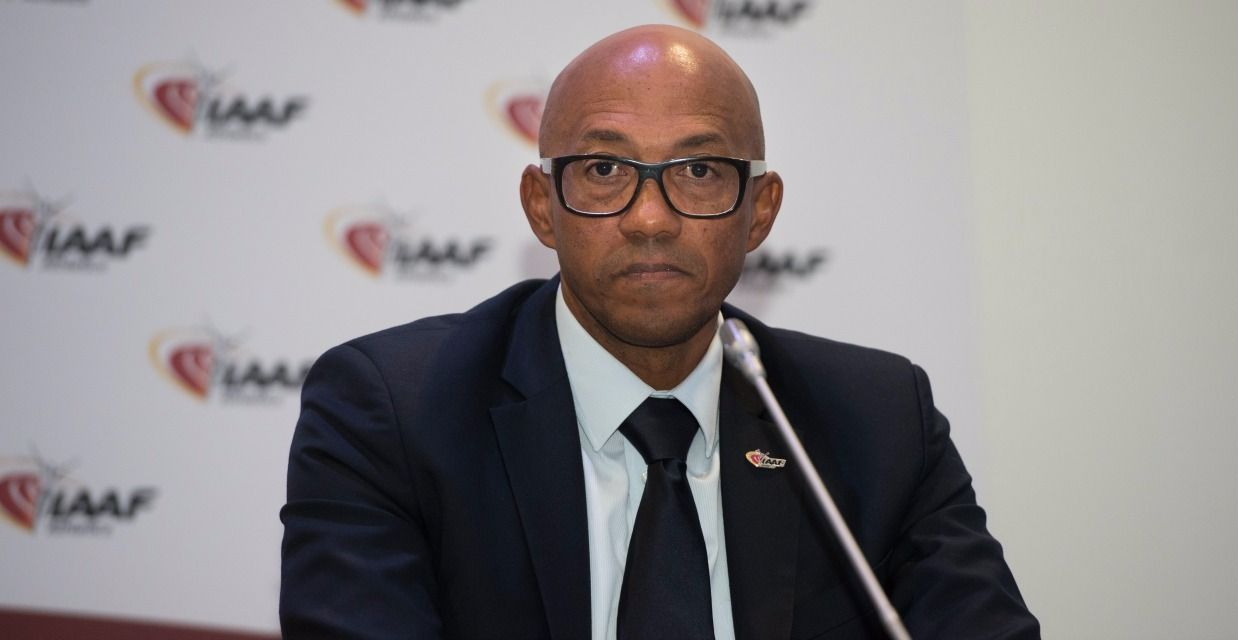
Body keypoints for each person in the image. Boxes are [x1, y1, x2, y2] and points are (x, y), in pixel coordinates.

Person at [280, 24, 1039, 640]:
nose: (650, 219)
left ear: (760, 211)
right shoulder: (394, 416)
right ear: (542, 207)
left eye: (700, 172)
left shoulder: (877, 422)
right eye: (604, 170)